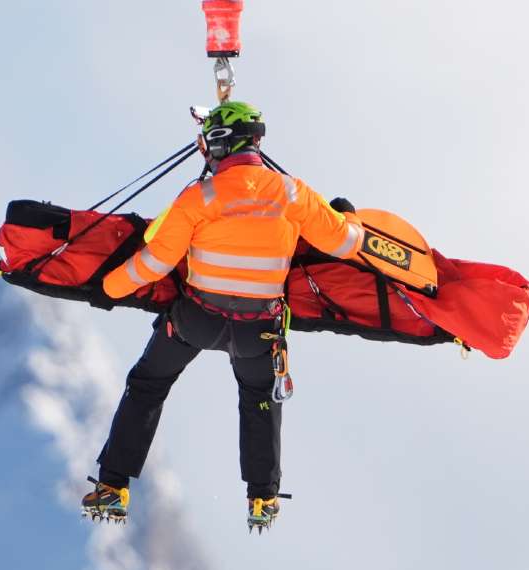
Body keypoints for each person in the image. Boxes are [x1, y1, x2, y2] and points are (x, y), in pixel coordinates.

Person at [80, 101, 366, 530]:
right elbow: (346, 244)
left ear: (217, 144)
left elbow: (155, 263)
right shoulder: (293, 193)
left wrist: (107, 288)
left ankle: (112, 488)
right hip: (258, 330)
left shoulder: (200, 197)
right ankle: (262, 498)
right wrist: (347, 215)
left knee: (148, 385)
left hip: (197, 320)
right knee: (259, 399)